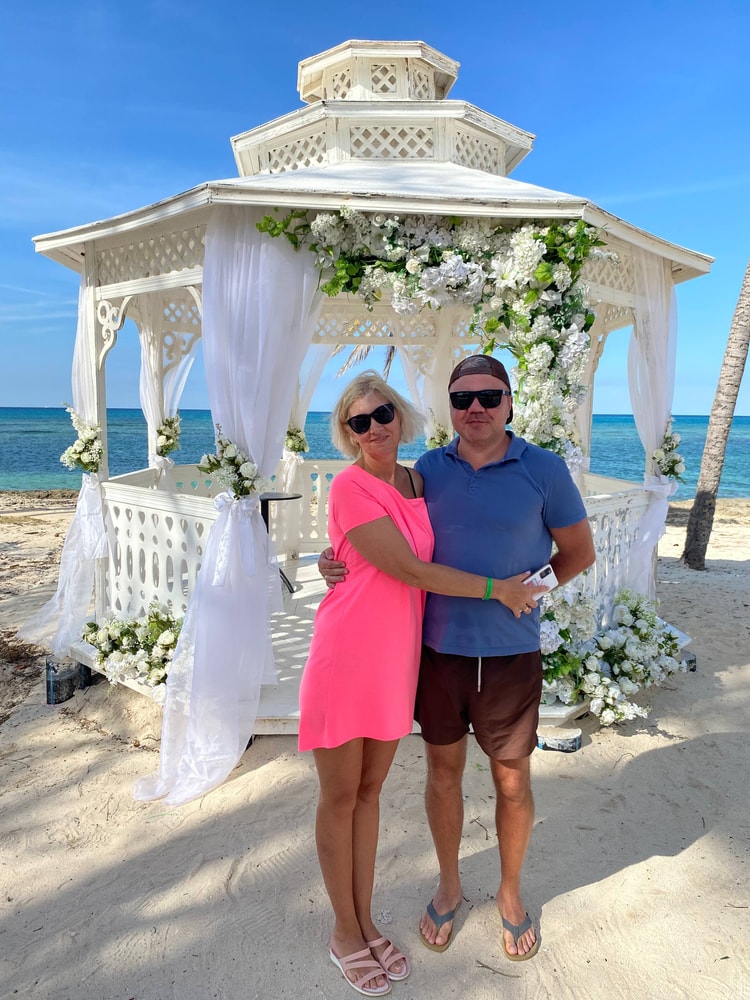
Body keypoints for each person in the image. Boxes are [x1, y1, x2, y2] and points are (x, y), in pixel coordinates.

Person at [319, 355, 595, 963]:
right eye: (463, 398)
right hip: (437, 653)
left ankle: (510, 894)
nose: (476, 408)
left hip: (510, 654)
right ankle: (449, 885)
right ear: (449, 407)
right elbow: (390, 544)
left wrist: (529, 593)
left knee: (513, 780)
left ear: (509, 403)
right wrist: (332, 556)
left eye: (489, 397)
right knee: (442, 774)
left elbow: (578, 553)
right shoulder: (428, 472)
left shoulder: (543, 469)